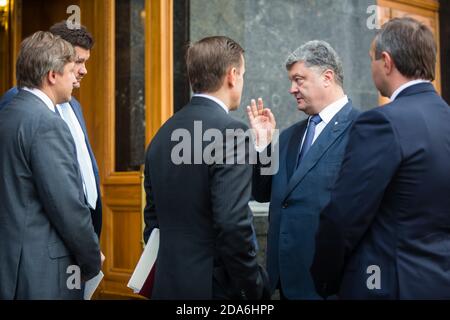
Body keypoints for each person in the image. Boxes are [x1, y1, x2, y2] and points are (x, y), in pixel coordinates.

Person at [311, 17, 450, 299]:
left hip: (388, 285)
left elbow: (343, 217)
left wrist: (323, 279)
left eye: (371, 59)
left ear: (386, 61)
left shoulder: (381, 123)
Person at [143, 36, 270, 300]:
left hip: (168, 285)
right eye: (243, 74)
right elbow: (233, 224)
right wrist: (252, 285)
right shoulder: (231, 132)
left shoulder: (162, 135)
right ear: (232, 75)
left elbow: (152, 222)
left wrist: (260, 148)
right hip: (215, 289)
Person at [248, 40, 360, 299]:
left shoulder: (362, 129)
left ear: (327, 77)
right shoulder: (288, 136)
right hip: (286, 281)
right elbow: (263, 193)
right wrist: (263, 145)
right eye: (291, 81)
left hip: (331, 284)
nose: (291, 89)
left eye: (299, 80)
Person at [0, 31, 101, 300]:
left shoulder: (9, 115)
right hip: (43, 273)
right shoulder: (47, 122)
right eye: (71, 70)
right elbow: (67, 205)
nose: (77, 78)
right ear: (52, 76)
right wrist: (92, 262)